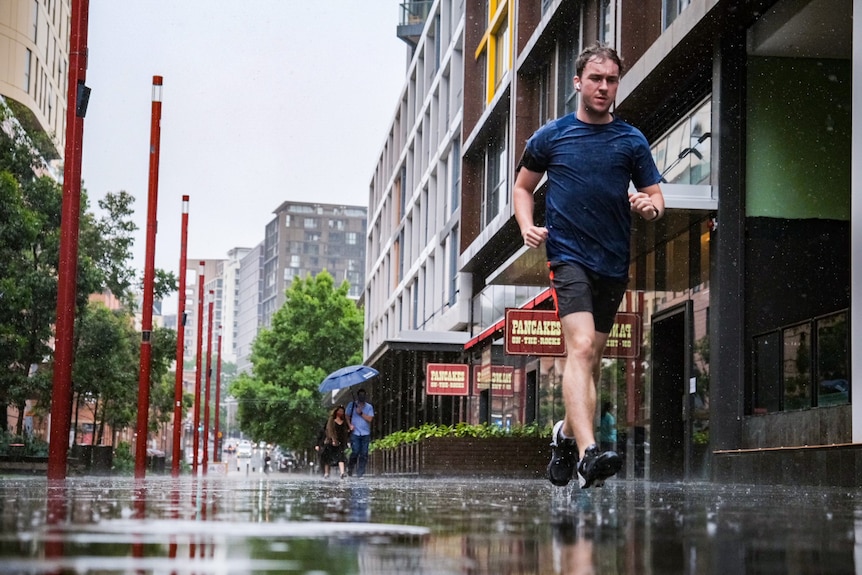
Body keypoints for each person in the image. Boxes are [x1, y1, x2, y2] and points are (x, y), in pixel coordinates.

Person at [513, 43, 664, 489]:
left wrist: (648, 206)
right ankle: (587, 454)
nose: (603, 87)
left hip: (612, 262)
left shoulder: (631, 141)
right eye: (595, 79)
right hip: (568, 256)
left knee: (592, 361)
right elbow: (523, 187)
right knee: (578, 349)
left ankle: (563, 434)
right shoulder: (552, 136)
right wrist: (527, 225)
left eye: (611, 80)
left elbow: (656, 198)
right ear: (578, 82)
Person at [346, 388, 374, 477]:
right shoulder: (352, 405)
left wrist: (361, 413)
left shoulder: (369, 407)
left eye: (363, 395)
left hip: (365, 433)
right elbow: (347, 415)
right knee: (355, 451)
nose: (362, 397)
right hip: (355, 433)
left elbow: (370, 419)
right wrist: (350, 425)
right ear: (358, 396)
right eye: (360, 395)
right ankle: (350, 468)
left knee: (364, 453)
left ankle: (360, 473)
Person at [322, 405, 350, 479]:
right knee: (328, 458)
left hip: (340, 442)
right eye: (339, 411)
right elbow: (329, 430)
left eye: (342, 411)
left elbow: (346, 431)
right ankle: (327, 473)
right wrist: (333, 439)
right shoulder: (331, 420)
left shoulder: (344, 421)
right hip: (330, 442)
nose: (341, 413)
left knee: (341, 457)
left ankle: (342, 473)